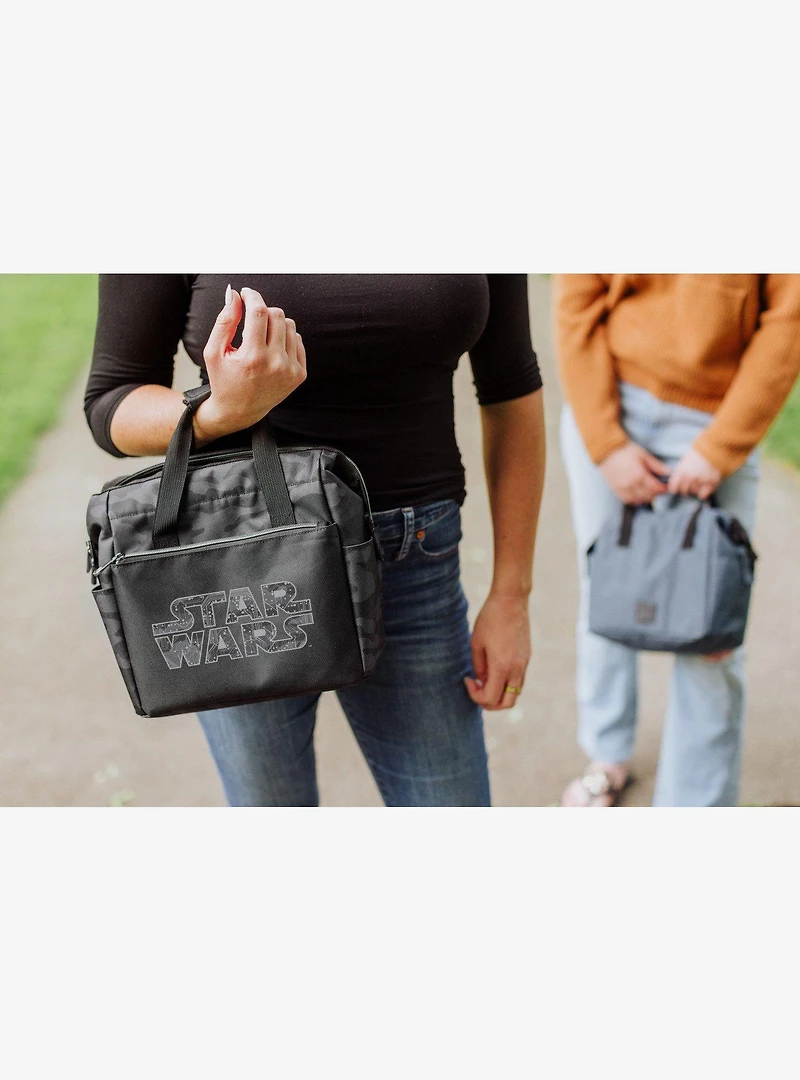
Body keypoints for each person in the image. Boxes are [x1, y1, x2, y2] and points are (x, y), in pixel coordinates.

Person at [85, 275, 545, 807]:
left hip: (412, 563)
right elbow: (112, 400)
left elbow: (512, 386)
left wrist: (512, 594)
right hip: (238, 572)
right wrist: (216, 413)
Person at [555, 274, 800, 807]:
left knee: (713, 628)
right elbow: (575, 303)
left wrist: (720, 447)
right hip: (610, 400)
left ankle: (696, 806)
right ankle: (607, 755)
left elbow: (789, 318)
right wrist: (605, 443)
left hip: (718, 414)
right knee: (605, 592)